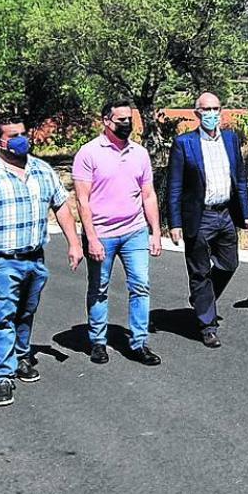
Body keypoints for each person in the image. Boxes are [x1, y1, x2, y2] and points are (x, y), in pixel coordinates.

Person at [0, 113, 83, 407]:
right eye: (13, 135)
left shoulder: (41, 169)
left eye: (24, 133)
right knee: (1, 318)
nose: (22, 139)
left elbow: (61, 205)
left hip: (34, 258)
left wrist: (74, 242)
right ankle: (2, 376)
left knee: (25, 313)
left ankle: (21, 356)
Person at [73, 100, 163, 366]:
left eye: (129, 118)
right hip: (102, 234)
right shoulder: (88, 153)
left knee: (140, 287)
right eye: (120, 119)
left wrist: (155, 232)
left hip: (134, 231)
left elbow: (148, 195)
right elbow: (82, 199)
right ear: (106, 120)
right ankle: (98, 342)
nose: (127, 124)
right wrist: (91, 237)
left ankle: (139, 342)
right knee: (99, 289)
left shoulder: (140, 153)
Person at [166, 92, 248, 348]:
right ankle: (207, 325)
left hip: (225, 214)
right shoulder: (184, 143)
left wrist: (245, 213)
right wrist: (175, 223)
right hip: (199, 216)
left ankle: (203, 298)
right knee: (200, 271)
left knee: (229, 264)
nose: (212, 114)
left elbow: (241, 178)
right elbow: (174, 186)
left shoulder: (230, 139)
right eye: (206, 109)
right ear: (197, 113)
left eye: (216, 108)